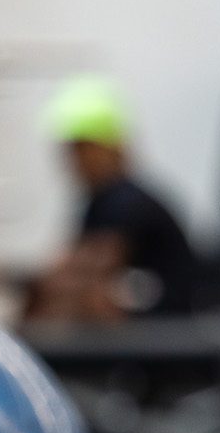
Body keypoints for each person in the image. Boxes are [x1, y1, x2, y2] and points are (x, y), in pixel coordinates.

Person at [22, 77, 204, 323]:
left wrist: (14, 281)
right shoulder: (101, 204)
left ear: (112, 147)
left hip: (163, 341)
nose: (74, 161)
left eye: (83, 148)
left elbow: (83, 271)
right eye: (71, 150)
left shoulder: (127, 203)